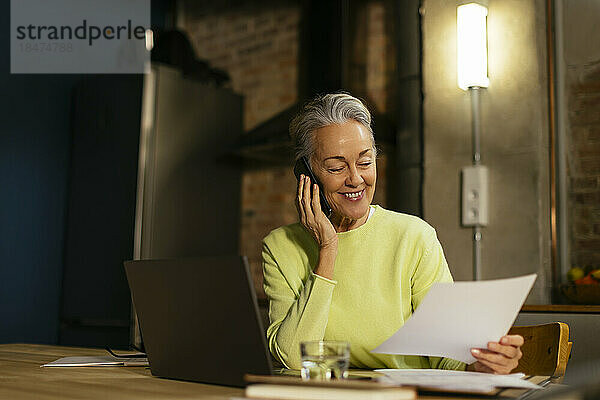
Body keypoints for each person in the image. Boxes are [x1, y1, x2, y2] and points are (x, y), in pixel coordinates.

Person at [262, 93, 523, 373]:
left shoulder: (415, 237)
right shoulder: (280, 247)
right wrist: (327, 249)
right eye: (336, 167)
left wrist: (481, 365)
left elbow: (447, 353)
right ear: (307, 174)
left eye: (365, 162)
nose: (355, 179)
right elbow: (292, 358)